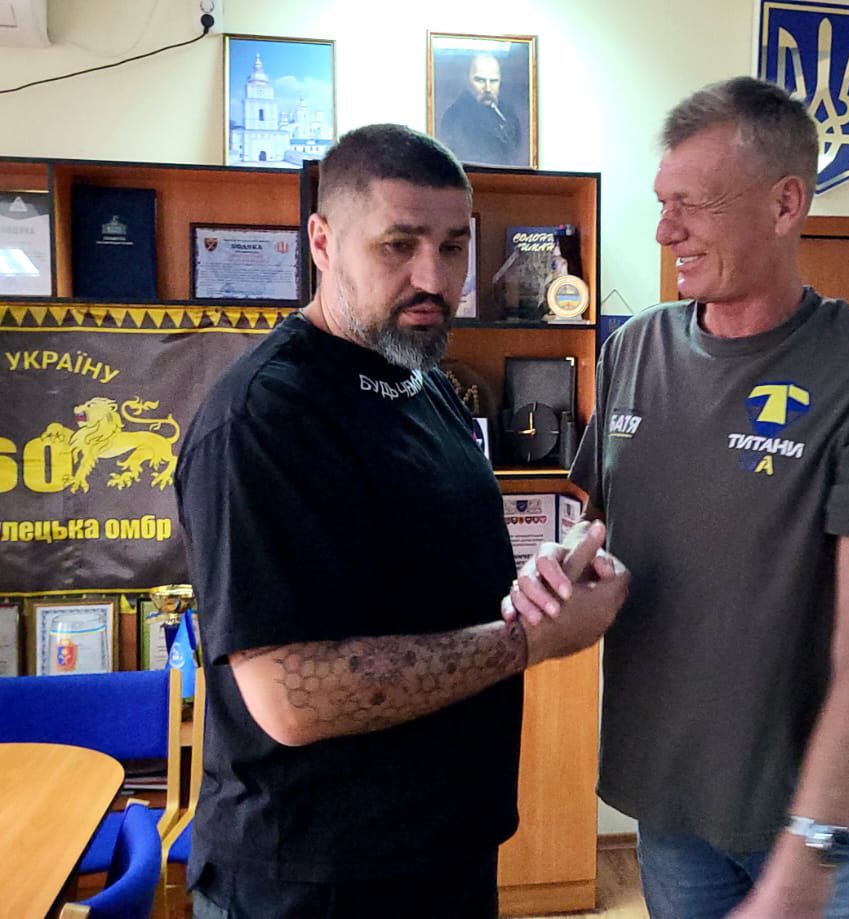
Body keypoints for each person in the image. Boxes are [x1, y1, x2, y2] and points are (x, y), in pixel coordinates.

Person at [506, 77, 849, 918]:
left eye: (692, 204)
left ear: (785, 203)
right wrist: (560, 568)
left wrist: (809, 855)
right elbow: (605, 534)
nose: (665, 230)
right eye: (663, 203)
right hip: (675, 810)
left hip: (832, 823)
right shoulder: (634, 349)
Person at [175, 123, 628, 919]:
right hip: (313, 880)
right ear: (322, 242)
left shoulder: (425, 384)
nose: (434, 278)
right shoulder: (264, 417)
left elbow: (433, 585)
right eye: (399, 245)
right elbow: (290, 695)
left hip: (442, 848)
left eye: (454, 247)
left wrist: (539, 584)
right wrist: (531, 639)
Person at [437, 53, 523, 167]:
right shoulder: (454, 117)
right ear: (467, 81)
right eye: (480, 80)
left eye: (493, 81)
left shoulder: (508, 115)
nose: (488, 88)